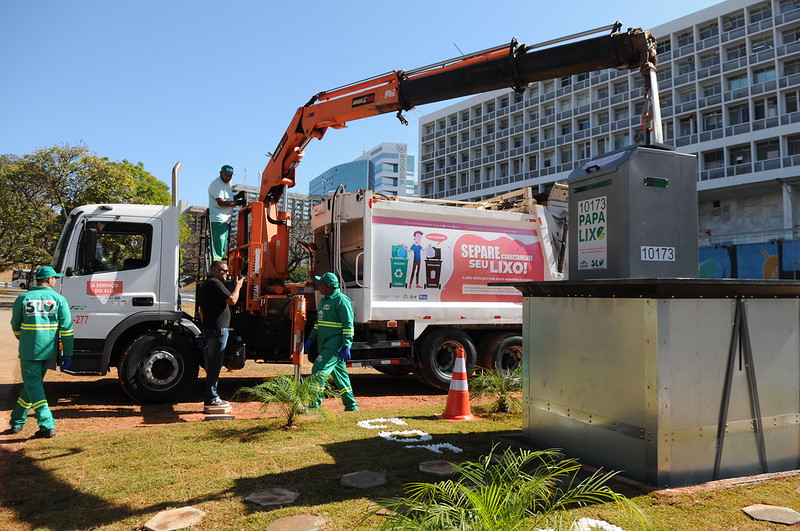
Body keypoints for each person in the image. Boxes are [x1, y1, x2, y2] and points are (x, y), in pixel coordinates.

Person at [7, 266, 74, 438]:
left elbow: (15, 325)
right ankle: (17, 421)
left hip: (29, 350)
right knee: (33, 386)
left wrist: (24, 339)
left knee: (33, 386)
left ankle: (46, 424)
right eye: (55, 278)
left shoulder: (23, 297)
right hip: (48, 351)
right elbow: (66, 330)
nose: (55, 281)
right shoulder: (59, 299)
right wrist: (67, 352)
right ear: (50, 280)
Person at [304, 272, 358, 411]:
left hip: (334, 345)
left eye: (321, 283)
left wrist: (346, 346)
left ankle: (313, 406)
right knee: (340, 375)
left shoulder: (341, 300)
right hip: (324, 344)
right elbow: (319, 323)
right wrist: (311, 337)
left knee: (318, 371)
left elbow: (348, 325)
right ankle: (351, 406)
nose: (319, 285)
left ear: (328, 286)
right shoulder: (323, 300)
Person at [198, 260, 244, 410]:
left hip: (211, 329)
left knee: (212, 364)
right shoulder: (214, 283)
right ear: (215, 271)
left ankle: (211, 396)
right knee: (214, 364)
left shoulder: (208, 284)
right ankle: (211, 397)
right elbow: (232, 300)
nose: (227, 274)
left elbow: (201, 310)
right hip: (218, 330)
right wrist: (238, 287)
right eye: (224, 271)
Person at [208, 164, 236, 261]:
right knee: (218, 244)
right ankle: (216, 267)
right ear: (221, 173)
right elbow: (221, 202)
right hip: (218, 218)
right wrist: (236, 203)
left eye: (230, 175)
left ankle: (218, 265)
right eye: (226, 175)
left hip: (225, 218)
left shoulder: (228, 183)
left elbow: (227, 198)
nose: (228, 177)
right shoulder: (217, 184)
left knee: (222, 245)